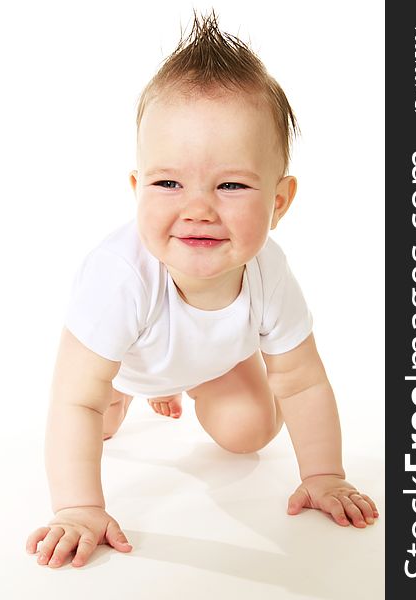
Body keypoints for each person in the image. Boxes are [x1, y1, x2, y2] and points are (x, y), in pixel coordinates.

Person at [26, 10, 378, 569]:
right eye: (168, 183)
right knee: (100, 419)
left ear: (279, 202)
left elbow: (303, 379)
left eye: (232, 184)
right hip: (120, 367)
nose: (197, 208)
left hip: (211, 362)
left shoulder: (269, 271)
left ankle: (186, 382)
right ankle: (137, 393)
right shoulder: (119, 276)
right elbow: (74, 397)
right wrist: (78, 509)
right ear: (137, 187)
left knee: (250, 432)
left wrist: (324, 474)